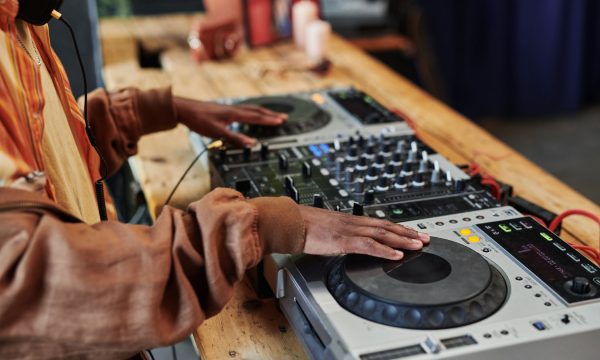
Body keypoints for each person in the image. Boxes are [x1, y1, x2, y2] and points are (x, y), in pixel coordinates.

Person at [0, 1, 430, 358]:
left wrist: (153, 111)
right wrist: (254, 226)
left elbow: (45, 155)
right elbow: (29, 286)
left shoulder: (21, 18)